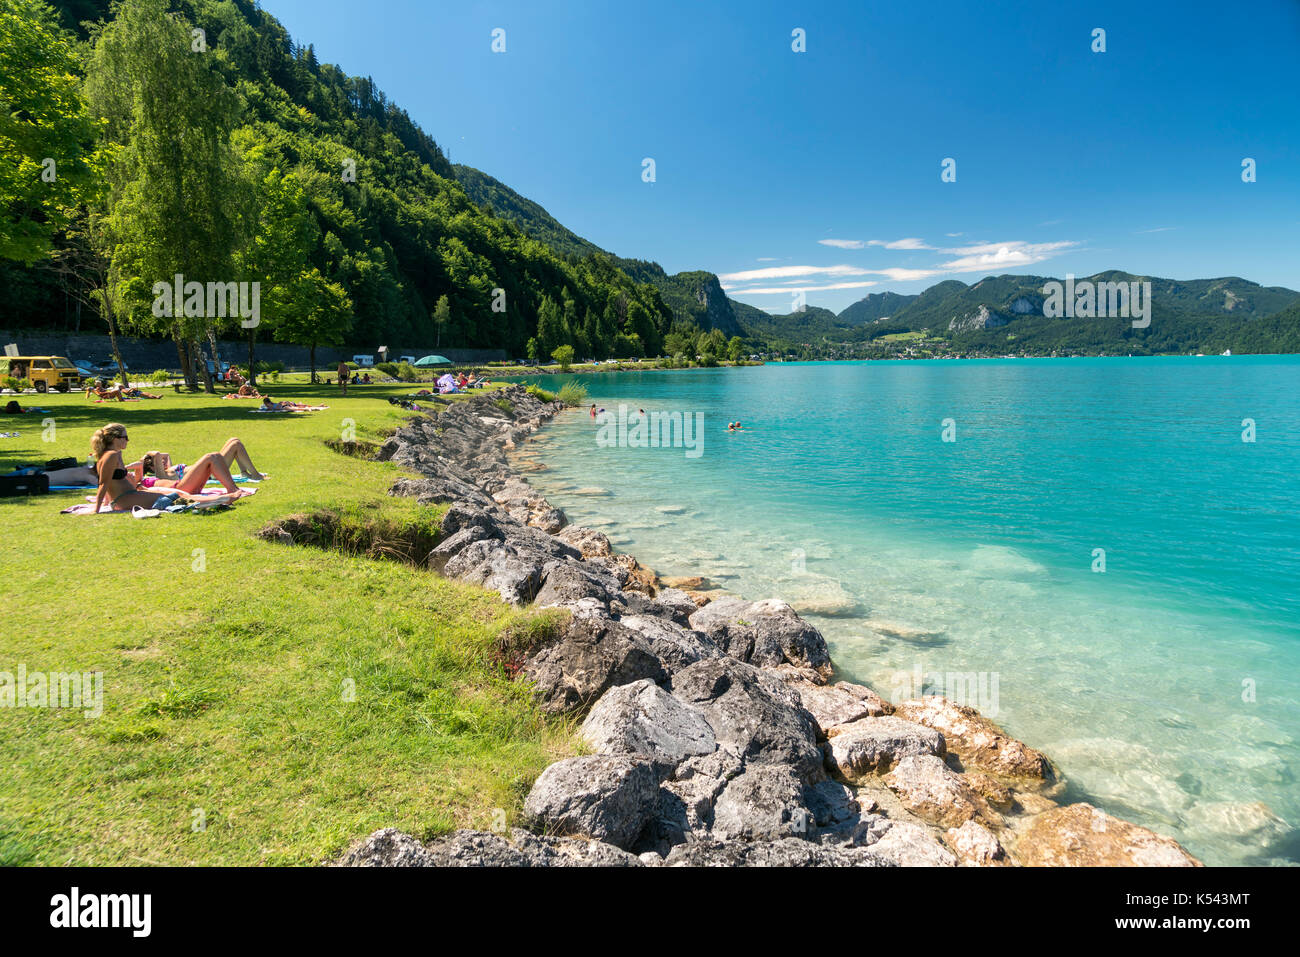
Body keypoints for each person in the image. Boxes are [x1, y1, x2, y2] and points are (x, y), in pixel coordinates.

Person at [90, 423, 242, 513]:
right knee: (171, 500)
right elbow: (103, 483)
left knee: (174, 498)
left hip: (127, 496)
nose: (128, 441)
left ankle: (221, 499)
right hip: (124, 499)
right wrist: (96, 509)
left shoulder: (115, 454)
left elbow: (109, 483)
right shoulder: (110, 456)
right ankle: (223, 499)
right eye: (125, 437)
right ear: (116, 439)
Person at [143, 438, 264, 483]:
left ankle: (244, 471)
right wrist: (147, 456)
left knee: (233, 440)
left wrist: (149, 460)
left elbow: (166, 455)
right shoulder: (162, 476)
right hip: (211, 473)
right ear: (154, 467)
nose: (163, 461)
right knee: (236, 445)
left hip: (210, 469)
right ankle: (255, 475)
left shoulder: (168, 469)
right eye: (159, 462)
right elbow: (158, 454)